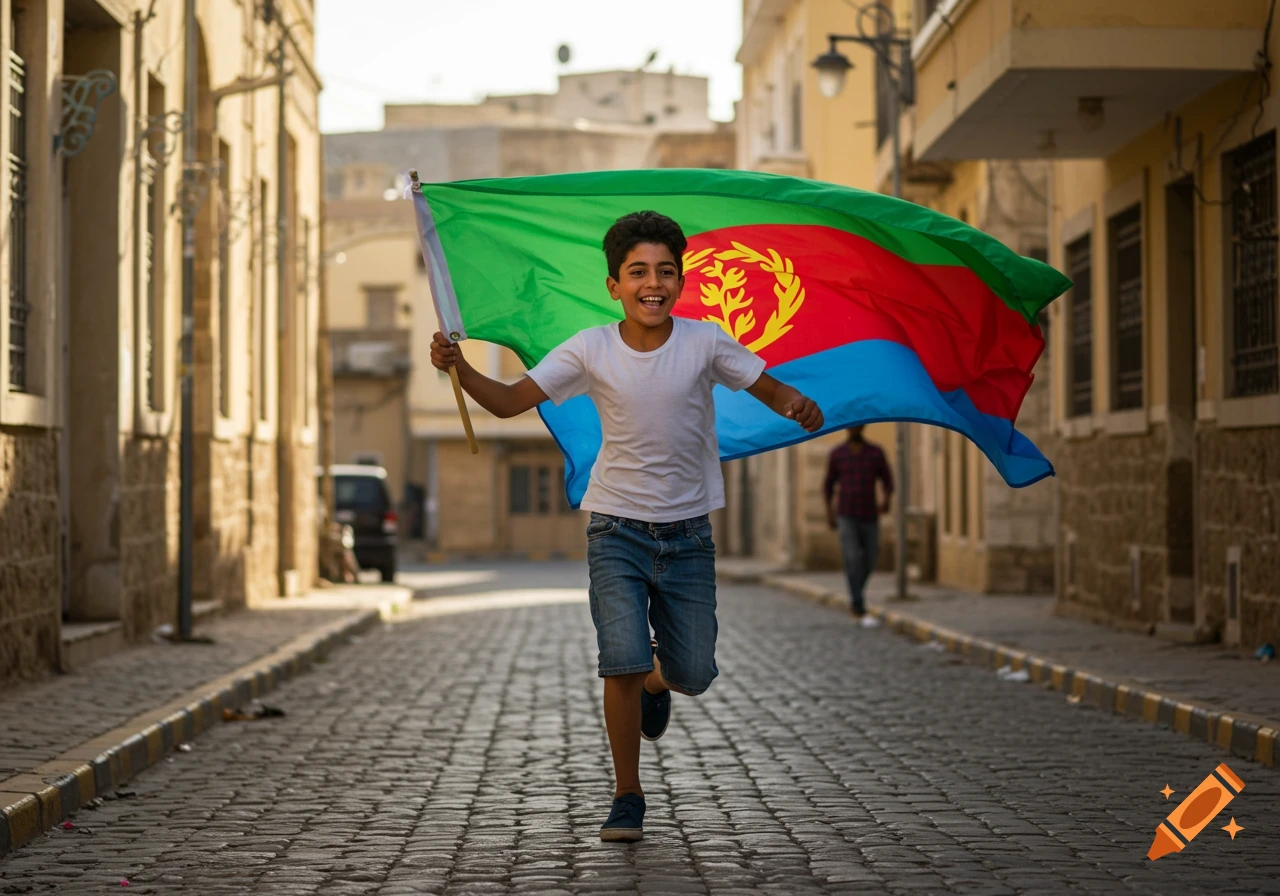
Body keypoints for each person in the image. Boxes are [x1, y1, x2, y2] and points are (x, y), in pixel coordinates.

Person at [429, 211, 823, 843]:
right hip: (616, 528)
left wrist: (795, 404)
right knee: (619, 660)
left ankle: (657, 682)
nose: (653, 283)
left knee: (692, 671)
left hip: (689, 533)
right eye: (638, 272)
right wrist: (459, 368)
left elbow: (769, 389)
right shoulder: (590, 348)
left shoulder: (705, 341)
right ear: (614, 284)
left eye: (666, 271)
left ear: (681, 280)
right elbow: (506, 403)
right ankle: (627, 796)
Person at [824, 425, 894, 626]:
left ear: (862, 427)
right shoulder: (838, 454)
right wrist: (829, 513)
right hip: (846, 514)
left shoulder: (875, 453)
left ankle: (857, 593)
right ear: (847, 428)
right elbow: (828, 487)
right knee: (853, 557)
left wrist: (886, 501)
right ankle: (857, 603)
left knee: (871, 558)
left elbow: (888, 481)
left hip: (869, 513)